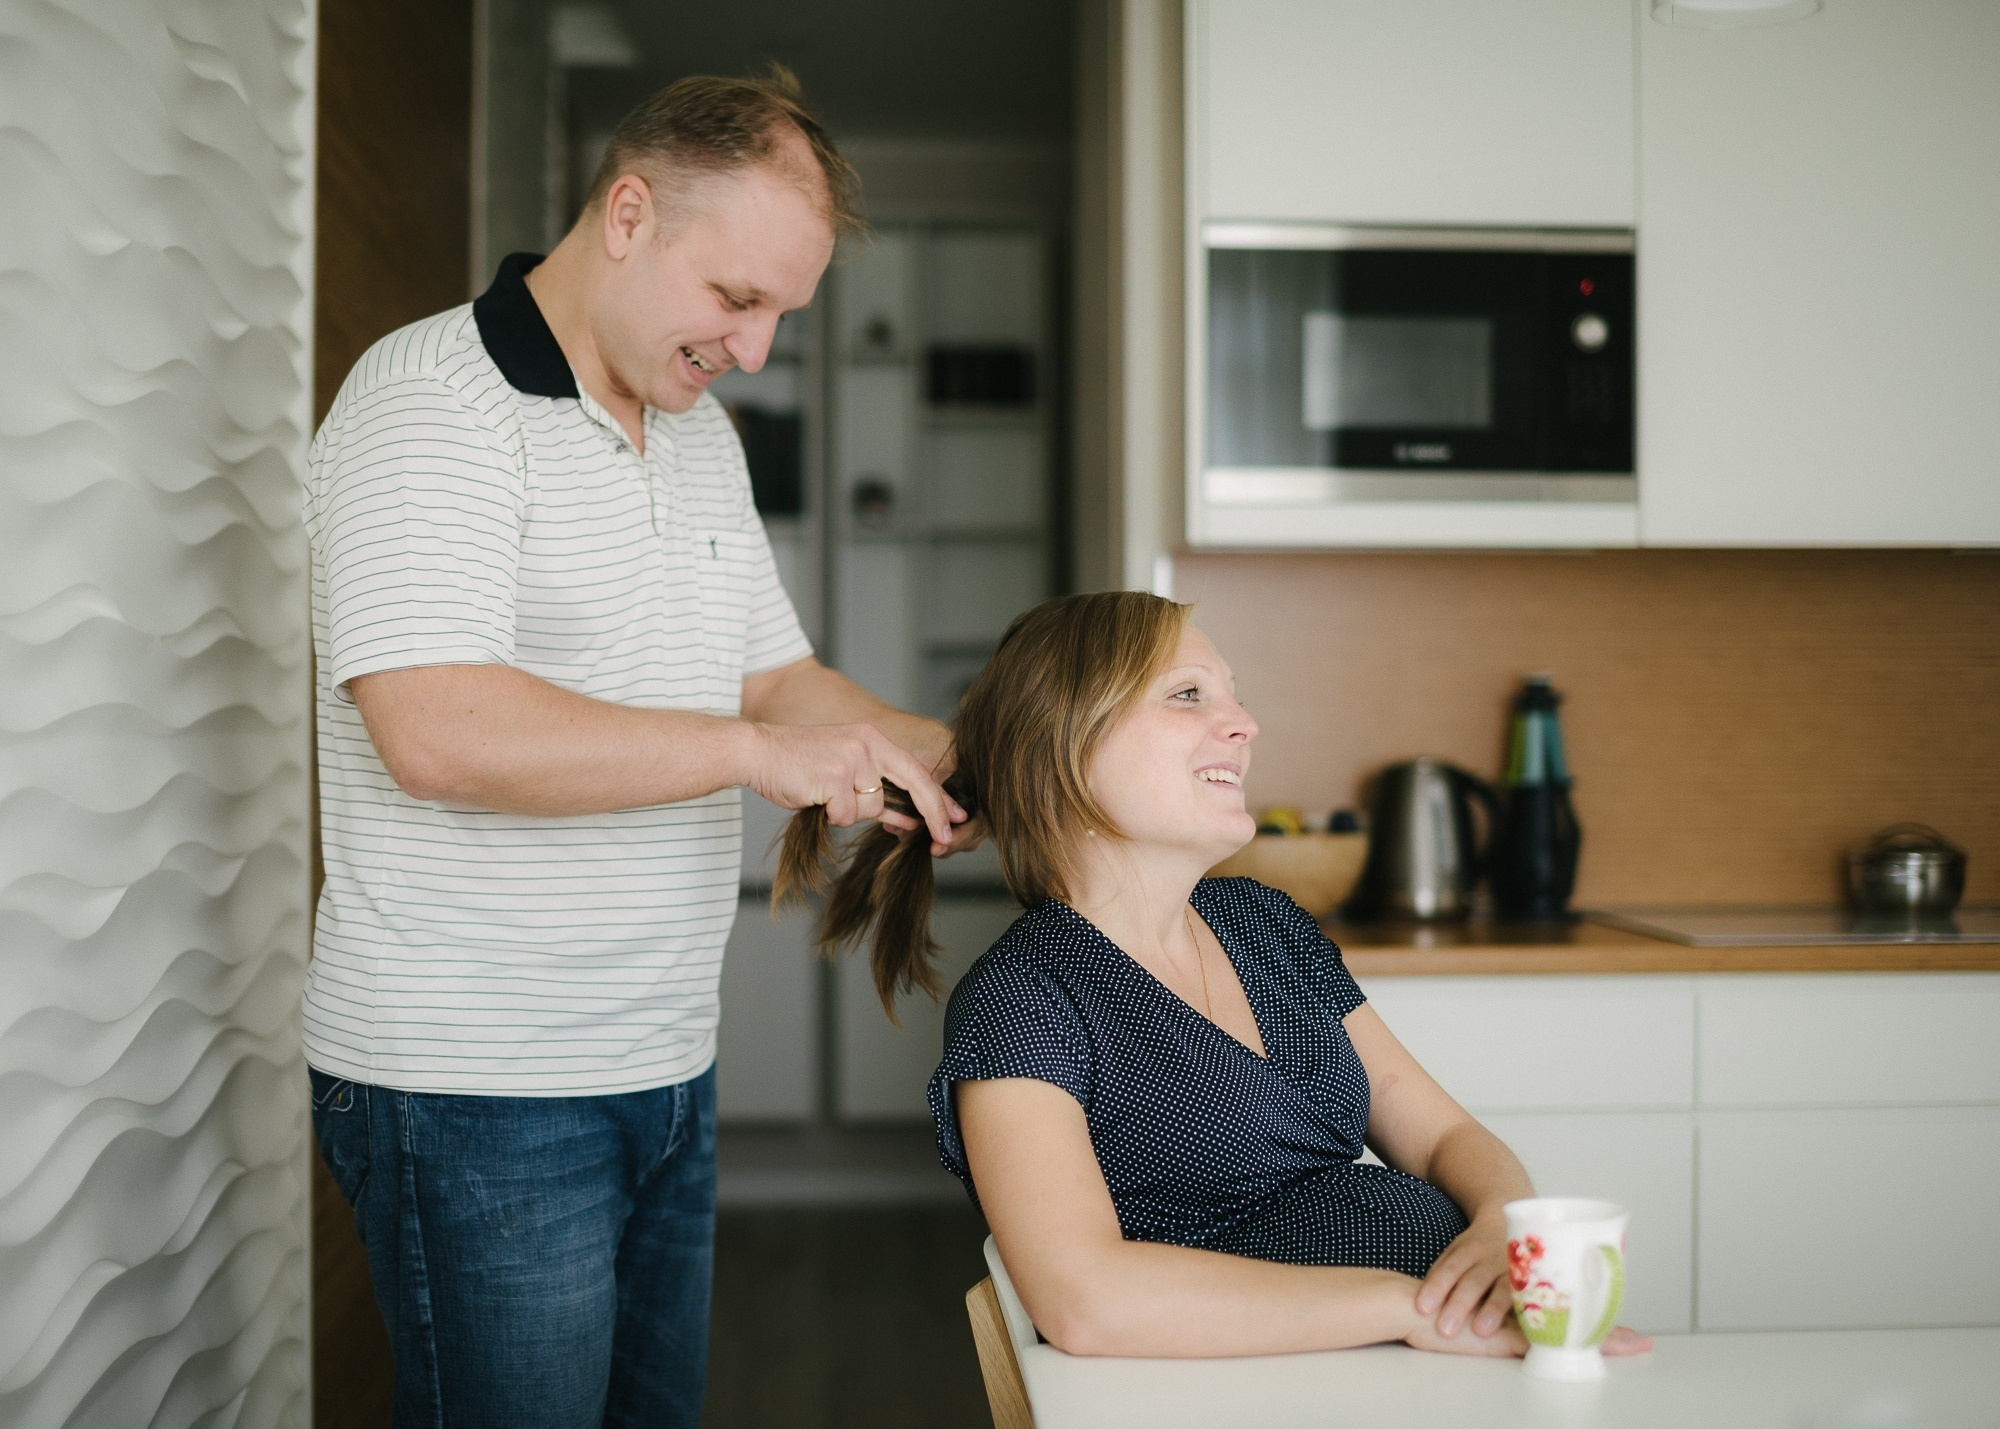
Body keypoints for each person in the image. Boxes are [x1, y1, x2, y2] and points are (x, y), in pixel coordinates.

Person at [302, 69, 968, 1428]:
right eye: (737, 299)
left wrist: (993, 757)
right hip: (478, 1089)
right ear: (628, 212)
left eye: (785, 310)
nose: (761, 348)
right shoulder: (430, 403)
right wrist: (744, 753)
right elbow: (432, 731)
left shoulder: (697, 439)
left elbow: (777, 678)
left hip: (660, 1063)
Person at [779, 591, 1651, 1358]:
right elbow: (1087, 1300)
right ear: (1064, 749)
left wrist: (1503, 1218)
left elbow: (1446, 1140)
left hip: (1438, 1359)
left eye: (1236, 695)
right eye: (1189, 695)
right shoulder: (1024, 1000)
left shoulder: (1266, 925)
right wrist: (1407, 1309)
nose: (1244, 722)